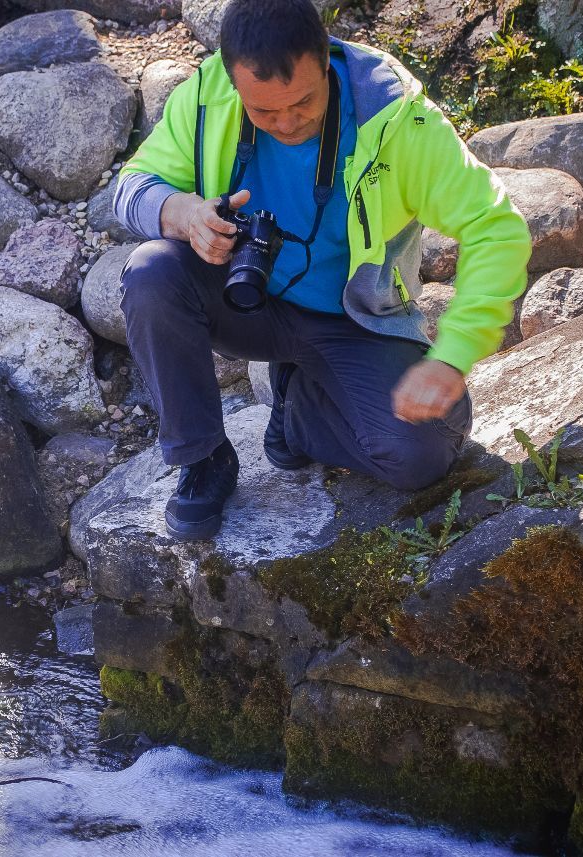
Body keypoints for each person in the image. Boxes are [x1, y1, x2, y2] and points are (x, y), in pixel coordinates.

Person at [112, 0, 531, 541]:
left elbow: (495, 225)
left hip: (355, 320)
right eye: (263, 112)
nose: (287, 123)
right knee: (150, 271)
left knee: (420, 454)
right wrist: (183, 213)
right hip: (246, 299)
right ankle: (204, 458)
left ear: (326, 56)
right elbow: (130, 188)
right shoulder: (206, 95)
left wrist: (453, 355)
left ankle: (296, 408)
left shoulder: (396, 117)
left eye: (305, 102)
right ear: (234, 80)